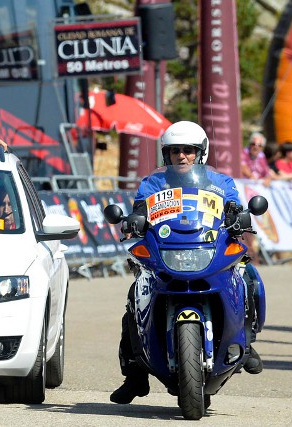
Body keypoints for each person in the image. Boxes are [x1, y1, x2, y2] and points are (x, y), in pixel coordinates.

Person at [110, 121, 263, 405]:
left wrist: (239, 216)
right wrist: (132, 221)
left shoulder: (220, 182)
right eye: (175, 151)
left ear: (200, 153)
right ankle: (134, 375)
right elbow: (139, 212)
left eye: (188, 151)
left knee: (248, 277)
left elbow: (233, 206)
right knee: (135, 297)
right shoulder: (152, 184)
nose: (181, 156)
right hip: (167, 250)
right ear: (165, 154)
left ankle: (247, 340)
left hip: (207, 246)